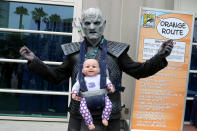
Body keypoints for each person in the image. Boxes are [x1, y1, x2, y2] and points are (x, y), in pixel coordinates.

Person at [19, 8, 174, 131]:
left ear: (104, 24)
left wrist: (159, 56)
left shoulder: (117, 52)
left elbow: (140, 71)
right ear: (81, 25)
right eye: (87, 23)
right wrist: (35, 61)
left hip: (109, 114)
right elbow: (56, 77)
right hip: (79, 114)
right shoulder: (73, 53)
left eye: (96, 23)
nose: (92, 27)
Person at [71, 59, 115, 130]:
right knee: (83, 110)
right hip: (86, 98)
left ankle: (105, 118)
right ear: (82, 70)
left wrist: (110, 86)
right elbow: (76, 86)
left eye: (94, 67)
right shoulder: (82, 79)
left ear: (99, 70)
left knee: (109, 105)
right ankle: (89, 123)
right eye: (87, 67)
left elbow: (107, 81)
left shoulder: (100, 77)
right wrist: (74, 93)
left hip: (101, 96)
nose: (91, 68)